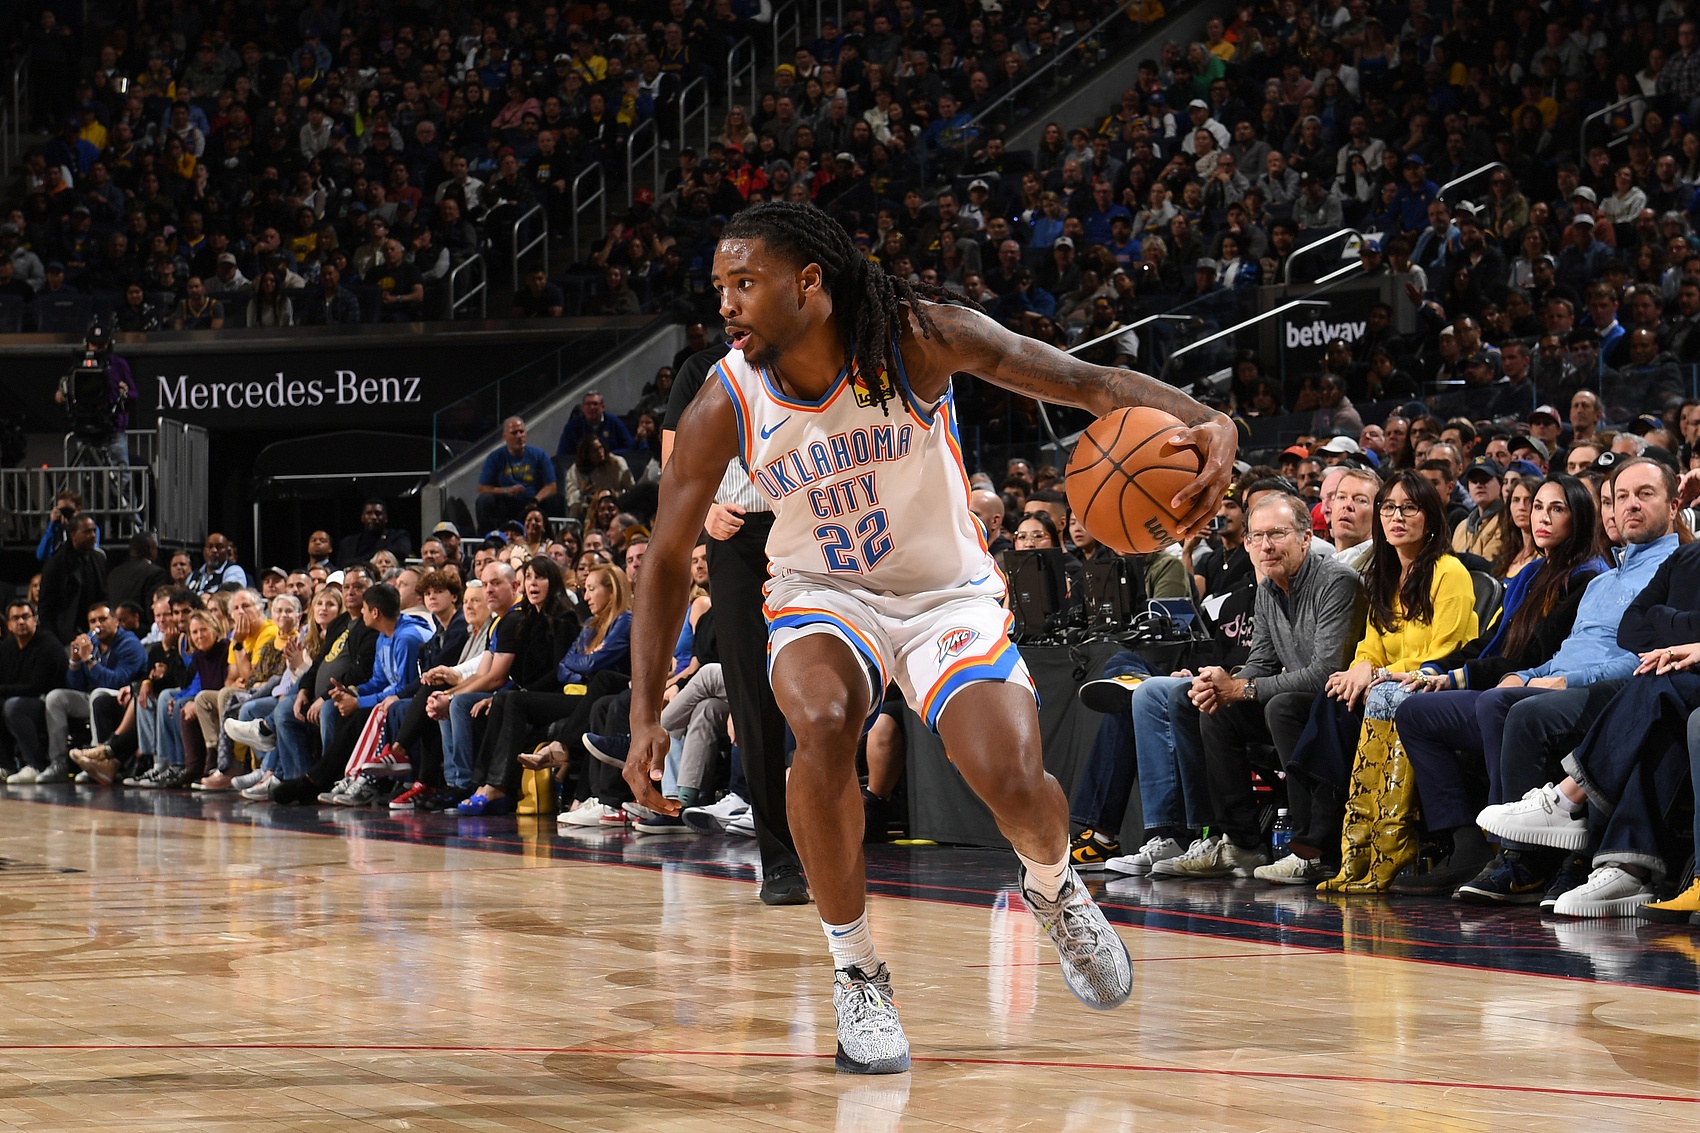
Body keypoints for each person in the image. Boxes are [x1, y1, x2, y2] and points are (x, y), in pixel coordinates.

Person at [626, 201, 1235, 1072]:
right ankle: (856, 969)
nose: (726, 304)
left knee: (1011, 778)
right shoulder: (726, 398)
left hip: (946, 592)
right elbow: (662, 558)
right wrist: (645, 713)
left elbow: (1089, 381)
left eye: (746, 283)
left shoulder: (916, 339)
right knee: (821, 722)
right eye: (720, 285)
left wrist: (1211, 418)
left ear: (809, 282)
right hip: (822, 591)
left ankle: (1054, 885)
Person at [1394, 476, 1610, 896]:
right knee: (1414, 712)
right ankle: (1466, 842)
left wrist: (1461, 678)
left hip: (1538, 690)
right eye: (1538, 507)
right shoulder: (1531, 573)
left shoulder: (1586, 578)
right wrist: (1435, 670)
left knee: (1496, 703)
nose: (1542, 517)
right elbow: (1492, 640)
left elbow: (1536, 654)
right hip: (1499, 684)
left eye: (1557, 509)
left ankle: (1512, 849)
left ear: (1580, 517)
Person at [1283, 471, 1479, 892]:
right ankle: (1334, 836)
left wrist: (1379, 673)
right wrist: (1361, 668)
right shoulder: (1386, 577)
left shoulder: (1450, 572)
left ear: (1430, 517)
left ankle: (1363, 838)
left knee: (1367, 699)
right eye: (1388, 508)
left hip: (1436, 684)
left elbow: (1445, 650)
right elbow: (1371, 644)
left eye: (1409, 508)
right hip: (1387, 685)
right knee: (1334, 695)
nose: (1397, 517)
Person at [0, 600, 68, 779]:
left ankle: (36, 764)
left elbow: (37, 686)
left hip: (47, 701)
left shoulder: (48, 644)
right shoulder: (6, 647)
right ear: (9, 624)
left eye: (25, 617)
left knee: (13, 707)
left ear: (35, 620)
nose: (21, 622)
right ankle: (6, 765)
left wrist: (3, 690)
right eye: (16, 618)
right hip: (20, 697)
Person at [476, 416, 560, 532]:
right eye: (514, 433)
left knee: (556, 499)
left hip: (533, 502)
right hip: (506, 504)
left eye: (521, 432)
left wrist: (535, 500)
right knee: (484, 501)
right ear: (505, 436)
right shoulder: (495, 457)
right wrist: (507, 491)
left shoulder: (539, 455)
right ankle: (489, 538)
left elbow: (551, 486)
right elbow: (482, 488)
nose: (519, 436)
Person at [37, 514, 107, 646]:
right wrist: (52, 640)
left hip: (96, 631)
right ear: (73, 535)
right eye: (87, 532)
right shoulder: (55, 564)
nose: (93, 535)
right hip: (64, 635)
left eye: (94, 530)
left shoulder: (99, 558)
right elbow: (45, 607)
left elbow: (104, 594)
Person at [336, 499, 413, 564]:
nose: (373, 517)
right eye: (369, 513)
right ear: (362, 518)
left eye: (378, 513)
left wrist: (361, 561)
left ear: (386, 518)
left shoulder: (398, 536)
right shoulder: (348, 543)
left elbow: (402, 551)